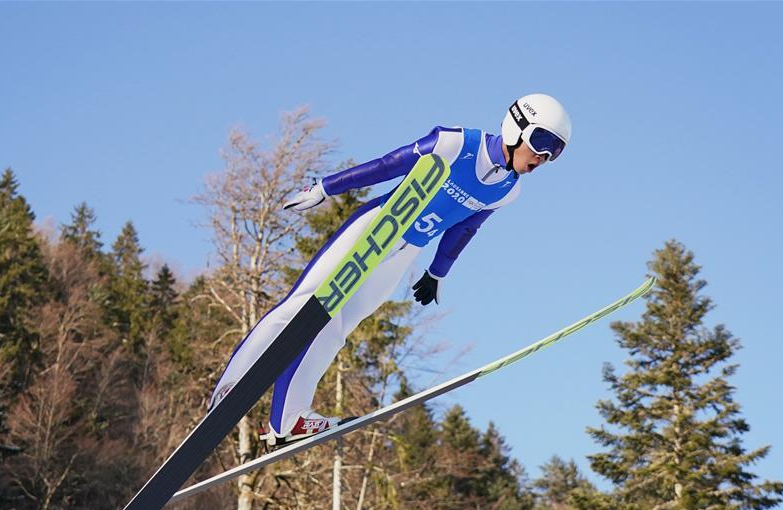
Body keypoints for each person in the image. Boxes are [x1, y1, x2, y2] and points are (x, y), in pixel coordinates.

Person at [208, 93, 572, 446]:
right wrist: (326, 187)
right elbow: (387, 165)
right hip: (377, 226)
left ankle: (288, 420)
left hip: (404, 252)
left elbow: (465, 228)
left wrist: (437, 272)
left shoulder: (508, 190)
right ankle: (231, 386)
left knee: (337, 326)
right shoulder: (456, 144)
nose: (543, 157)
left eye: (554, 151)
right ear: (517, 127)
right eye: (542, 142)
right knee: (301, 306)